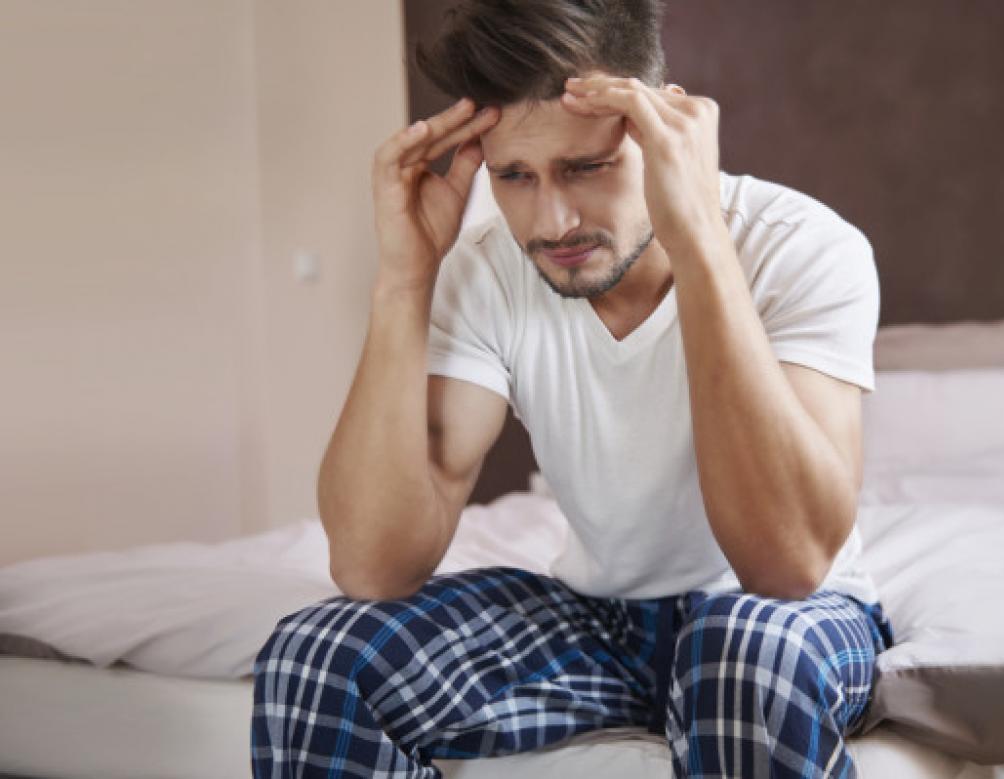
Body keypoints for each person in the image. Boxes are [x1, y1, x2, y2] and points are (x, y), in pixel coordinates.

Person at [251, 1, 894, 776]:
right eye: (515, 176)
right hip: (602, 622)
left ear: (665, 129)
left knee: (741, 658)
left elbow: (787, 565)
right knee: (319, 658)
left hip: (784, 621)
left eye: (585, 168)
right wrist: (404, 277)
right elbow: (373, 565)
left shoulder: (801, 248)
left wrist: (699, 240)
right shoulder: (486, 271)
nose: (553, 223)